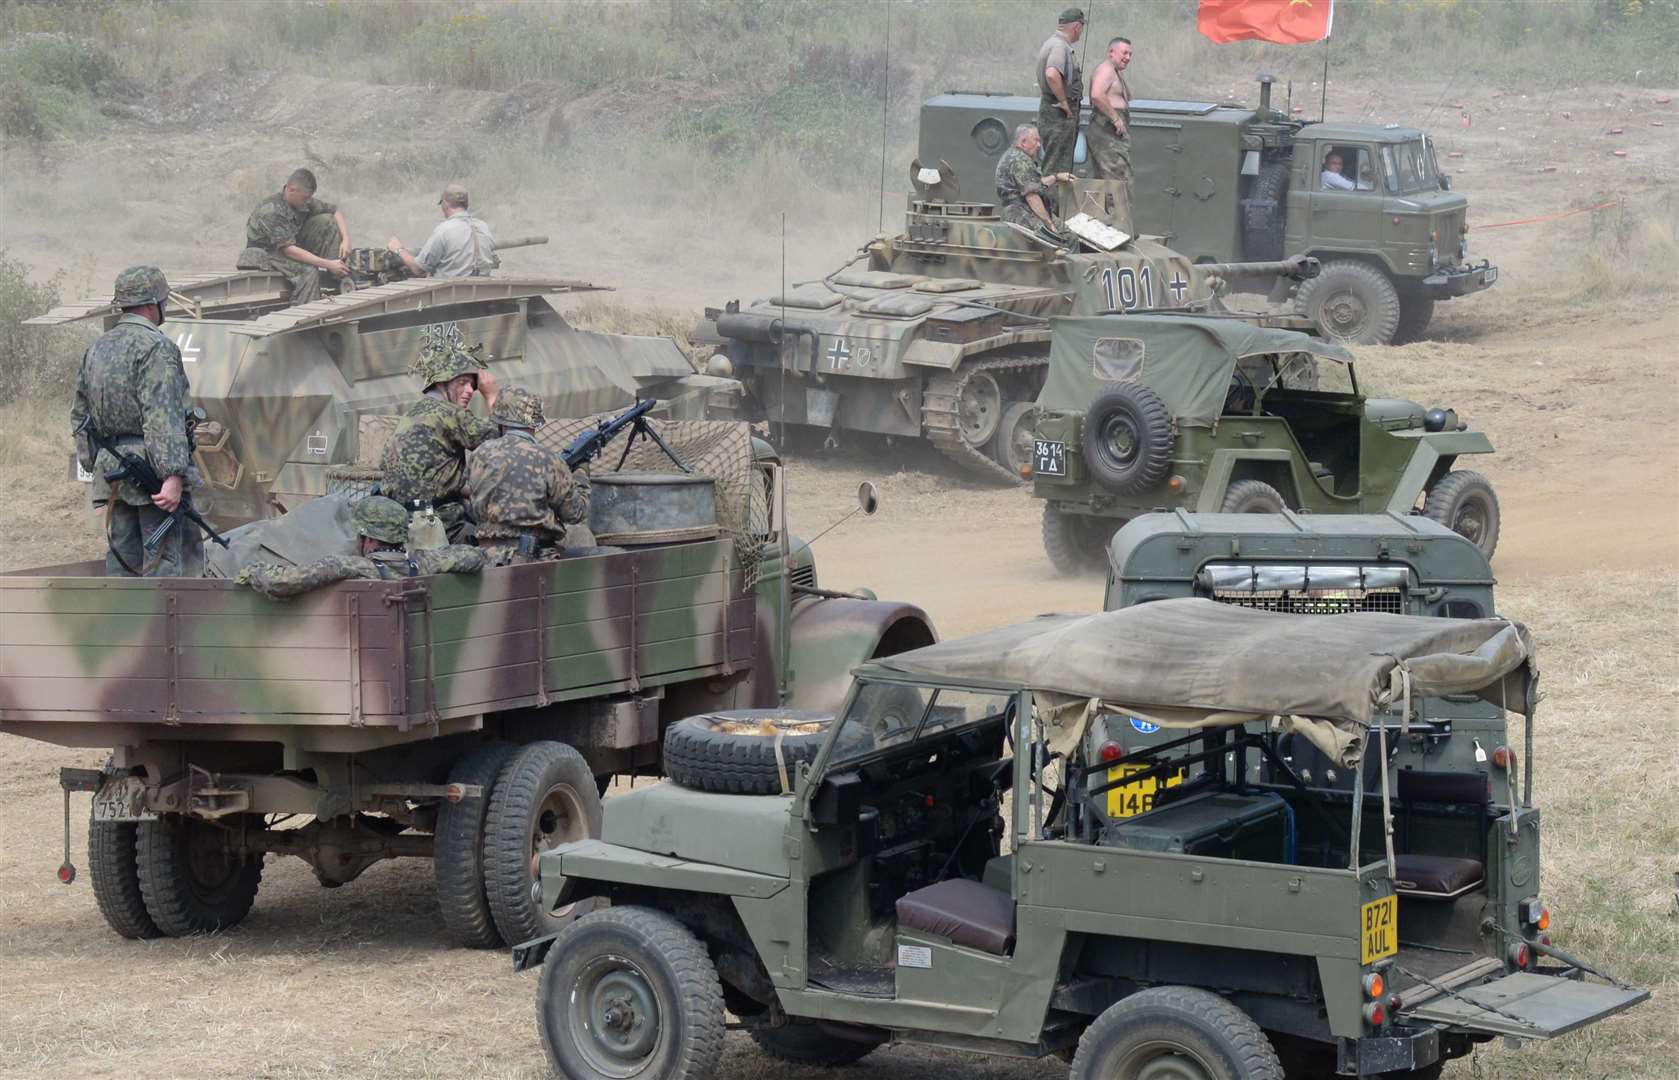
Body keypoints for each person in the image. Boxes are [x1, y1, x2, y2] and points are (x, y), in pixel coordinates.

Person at [70, 266, 203, 577]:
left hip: (114, 471)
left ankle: (122, 625)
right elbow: (163, 416)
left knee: (123, 562)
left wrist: (96, 466)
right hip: (153, 478)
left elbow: (79, 416)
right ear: (152, 303)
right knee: (166, 567)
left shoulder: (97, 348)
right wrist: (172, 476)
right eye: (164, 302)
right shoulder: (157, 347)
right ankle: (164, 628)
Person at [238, 496, 484, 599]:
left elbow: (282, 583)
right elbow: (473, 557)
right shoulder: (425, 562)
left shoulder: (350, 566)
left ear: (369, 539)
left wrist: (254, 571)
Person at [378, 334, 501, 540]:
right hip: (439, 523)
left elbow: (425, 476)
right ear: (442, 384)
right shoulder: (450, 414)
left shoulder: (413, 413)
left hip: (400, 519)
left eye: (473, 385)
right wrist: (491, 396)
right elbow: (502, 443)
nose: (469, 391)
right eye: (462, 382)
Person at [467, 386, 590, 566]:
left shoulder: (479, 454)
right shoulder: (548, 459)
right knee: (582, 537)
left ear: (500, 421)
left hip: (487, 559)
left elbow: (471, 497)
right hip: (534, 560)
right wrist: (581, 473)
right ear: (534, 422)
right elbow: (575, 514)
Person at [237, 168, 351, 304]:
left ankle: (339, 276)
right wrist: (327, 264)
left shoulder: (302, 200)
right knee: (308, 272)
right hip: (267, 252)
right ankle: (304, 313)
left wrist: (346, 240)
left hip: (291, 245)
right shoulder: (271, 211)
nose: (308, 201)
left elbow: (335, 211)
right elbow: (289, 251)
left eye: (309, 197)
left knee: (327, 220)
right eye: (305, 197)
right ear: (291, 190)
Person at [385, 183, 498, 279]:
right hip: (481, 290)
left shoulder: (444, 229)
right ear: (466, 204)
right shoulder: (483, 226)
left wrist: (398, 249)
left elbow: (418, 269)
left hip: (450, 294)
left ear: (445, 204)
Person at [1087, 35, 1134, 232]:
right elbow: (1097, 94)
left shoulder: (1114, 71)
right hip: (1107, 132)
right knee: (1119, 180)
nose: (1128, 57)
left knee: (1111, 180)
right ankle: (1118, 226)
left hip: (1110, 134)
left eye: (1130, 54)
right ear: (1111, 52)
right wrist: (1115, 118)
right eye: (1124, 52)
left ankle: (1113, 225)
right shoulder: (1106, 69)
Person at [996, 125, 1075, 232]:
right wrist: (1049, 224)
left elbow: (1034, 183)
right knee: (1065, 238)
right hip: (1023, 212)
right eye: (1036, 141)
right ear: (1023, 142)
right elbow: (1032, 196)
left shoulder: (1013, 155)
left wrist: (1056, 177)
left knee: (1066, 235)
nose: (1039, 145)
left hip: (1020, 211)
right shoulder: (1021, 160)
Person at [1036, 7, 1086, 178]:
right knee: (1058, 169)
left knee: (1056, 166)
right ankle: (1053, 204)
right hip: (1058, 115)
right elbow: (1051, 73)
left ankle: (1055, 204)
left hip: (1054, 112)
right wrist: (1064, 102)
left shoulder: (1052, 43)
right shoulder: (1059, 46)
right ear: (1077, 27)